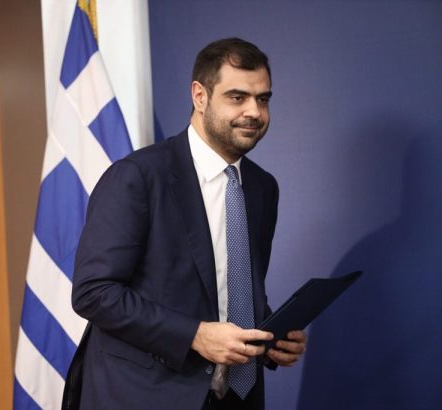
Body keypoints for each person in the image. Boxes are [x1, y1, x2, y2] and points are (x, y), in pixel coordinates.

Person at [62, 38, 307, 410]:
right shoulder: (137, 177)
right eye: (237, 97)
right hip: (143, 396)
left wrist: (271, 338)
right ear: (200, 96)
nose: (254, 112)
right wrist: (194, 335)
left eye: (263, 99)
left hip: (236, 397)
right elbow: (94, 292)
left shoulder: (262, 187)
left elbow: (231, 291)